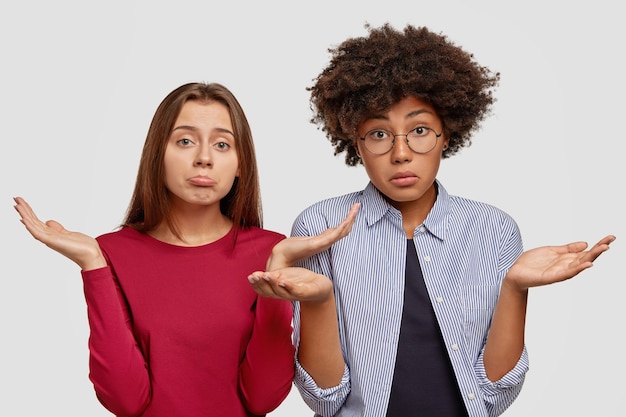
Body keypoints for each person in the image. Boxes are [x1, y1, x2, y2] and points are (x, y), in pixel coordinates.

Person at [248, 24, 616, 417]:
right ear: (356, 143)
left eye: (419, 130)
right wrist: (320, 300)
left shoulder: (493, 229)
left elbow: (495, 396)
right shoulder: (320, 225)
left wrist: (515, 288)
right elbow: (326, 399)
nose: (401, 153)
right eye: (378, 134)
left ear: (446, 134)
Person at [13, 82, 359, 417]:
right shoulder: (110, 253)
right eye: (185, 141)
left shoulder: (270, 249)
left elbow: (262, 398)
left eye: (222, 145)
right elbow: (125, 402)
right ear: (157, 155)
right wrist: (93, 265)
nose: (204, 158)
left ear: (241, 164)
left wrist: (277, 270)